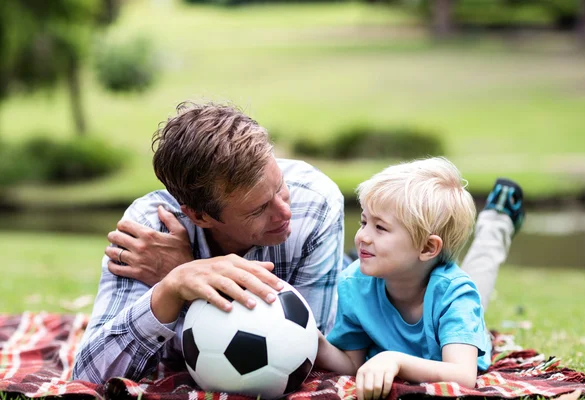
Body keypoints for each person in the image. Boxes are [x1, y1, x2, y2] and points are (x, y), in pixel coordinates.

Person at [73, 102, 522, 385]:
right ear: (199, 215)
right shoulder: (149, 230)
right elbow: (90, 375)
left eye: (280, 189)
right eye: (257, 211)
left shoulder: (314, 203)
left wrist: (186, 269)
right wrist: (173, 287)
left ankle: (496, 222)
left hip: (422, 281)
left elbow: (302, 351)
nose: (285, 213)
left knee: (466, 284)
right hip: (370, 279)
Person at [314, 157, 525, 400]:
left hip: (445, 292)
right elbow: (352, 364)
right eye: (364, 222)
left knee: (478, 281)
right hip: (428, 282)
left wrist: (394, 360)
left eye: (380, 227)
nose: (362, 236)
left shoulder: (457, 295)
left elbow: (463, 375)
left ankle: (498, 220)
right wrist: (317, 344)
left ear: (426, 247)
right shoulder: (354, 285)